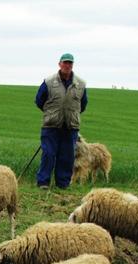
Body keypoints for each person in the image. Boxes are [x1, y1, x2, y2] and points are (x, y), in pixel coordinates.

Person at [35, 53, 88, 189]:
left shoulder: (80, 84)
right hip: (51, 126)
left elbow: (82, 105)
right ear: (59, 64)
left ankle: (63, 184)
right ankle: (43, 182)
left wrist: (71, 115)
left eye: (70, 63)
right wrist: (51, 113)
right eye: (65, 62)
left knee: (67, 157)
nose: (67, 65)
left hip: (70, 127)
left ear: (72, 65)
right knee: (48, 154)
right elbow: (39, 100)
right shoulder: (49, 82)